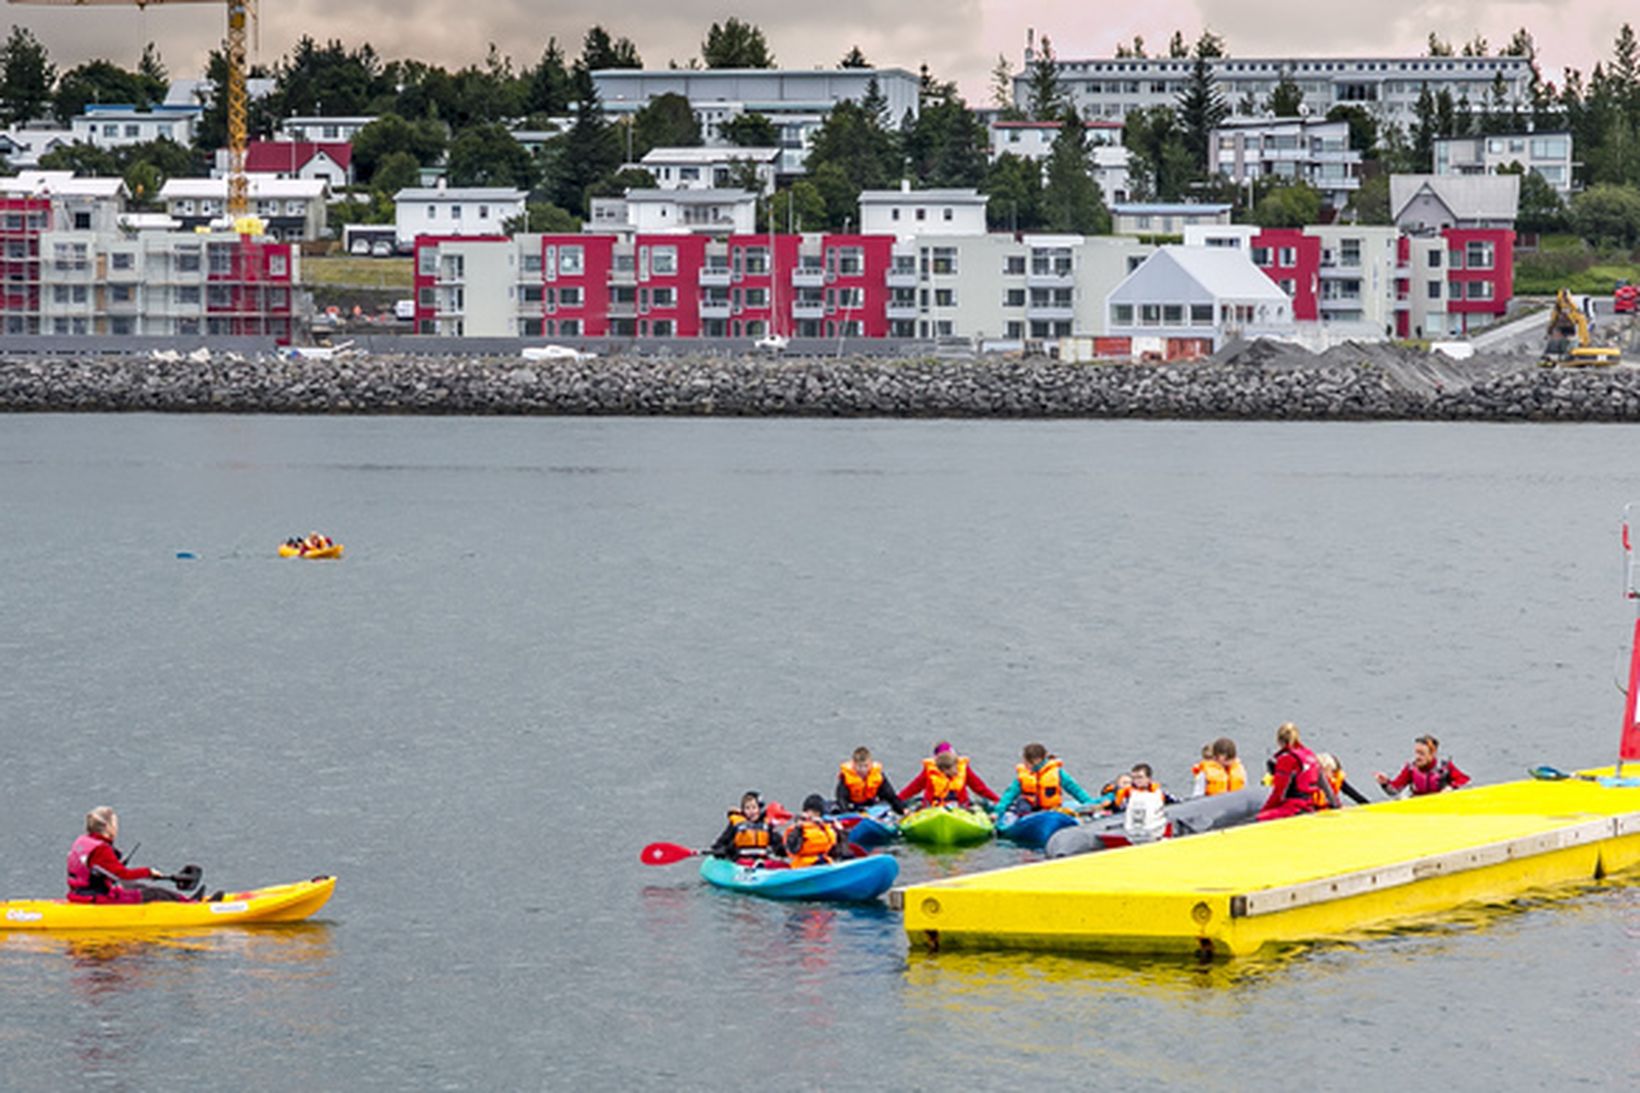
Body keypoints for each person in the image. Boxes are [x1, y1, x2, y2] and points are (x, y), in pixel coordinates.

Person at [66, 807, 194, 903]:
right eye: (115, 824)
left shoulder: (83, 841)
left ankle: (187, 901)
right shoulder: (101, 849)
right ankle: (191, 905)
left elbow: (99, 870)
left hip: (78, 894)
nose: (117, 828)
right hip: (99, 898)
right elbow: (124, 876)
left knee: (138, 886)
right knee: (155, 893)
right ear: (107, 827)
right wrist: (148, 872)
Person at [1257, 722, 1337, 822]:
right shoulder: (1310, 755)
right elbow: (1325, 786)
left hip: (1292, 809)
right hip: (1309, 806)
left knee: (1253, 821)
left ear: (1279, 740)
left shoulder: (1286, 759)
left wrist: (1263, 812)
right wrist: (1336, 806)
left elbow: (1278, 793)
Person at [995, 743, 1098, 816]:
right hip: (1028, 808)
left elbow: (1074, 789)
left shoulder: (1056, 773)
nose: (1032, 765)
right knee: (1022, 805)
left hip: (1049, 809)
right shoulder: (1024, 776)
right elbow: (1010, 794)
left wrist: (1089, 804)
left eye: (1034, 762)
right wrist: (999, 811)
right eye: (1029, 762)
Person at [898, 742, 1000, 810]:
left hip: (959, 808)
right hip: (933, 808)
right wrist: (896, 800)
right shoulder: (930, 772)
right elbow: (913, 788)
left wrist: (998, 800)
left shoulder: (963, 769)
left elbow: (980, 788)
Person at [1375, 735, 1471, 797]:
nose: (1417, 757)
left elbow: (1465, 780)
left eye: (1422, 754)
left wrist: (1451, 788)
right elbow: (1394, 790)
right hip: (1419, 809)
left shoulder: (1444, 767)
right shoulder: (1411, 769)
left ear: (1432, 754)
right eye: (1416, 753)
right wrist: (1385, 783)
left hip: (1441, 806)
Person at [708, 791, 784, 862]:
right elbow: (721, 843)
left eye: (754, 808)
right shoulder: (737, 824)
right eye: (747, 808)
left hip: (762, 861)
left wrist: (784, 849)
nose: (751, 811)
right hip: (742, 861)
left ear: (759, 809)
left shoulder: (766, 825)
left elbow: (777, 844)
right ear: (743, 810)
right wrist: (721, 850)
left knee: (781, 865)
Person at [834, 746, 907, 815]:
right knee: (836, 809)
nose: (863, 770)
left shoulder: (878, 776)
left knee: (886, 805)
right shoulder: (846, 777)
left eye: (866, 766)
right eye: (860, 766)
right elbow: (841, 798)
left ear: (871, 764)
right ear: (854, 765)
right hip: (852, 806)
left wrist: (902, 809)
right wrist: (846, 815)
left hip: (871, 806)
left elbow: (890, 796)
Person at [784, 795, 843, 868]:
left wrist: (840, 831)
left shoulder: (824, 827)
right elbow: (792, 848)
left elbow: (835, 848)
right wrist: (798, 828)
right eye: (808, 811)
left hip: (824, 863)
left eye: (815, 812)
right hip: (803, 866)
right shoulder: (797, 828)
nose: (811, 815)